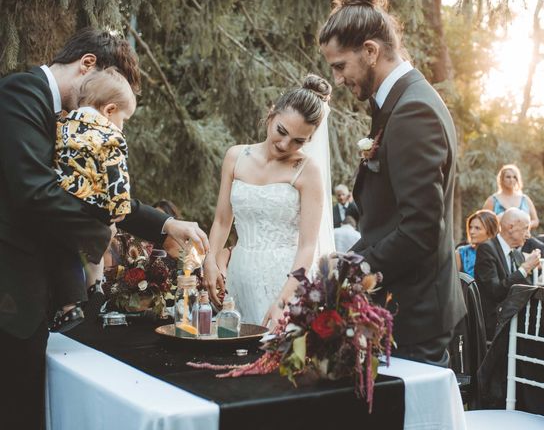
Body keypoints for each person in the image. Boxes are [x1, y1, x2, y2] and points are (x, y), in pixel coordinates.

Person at [0, 27, 209, 430]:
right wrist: (101, 236)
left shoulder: (68, 119)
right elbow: (34, 190)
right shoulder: (20, 94)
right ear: (88, 65)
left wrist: (164, 224)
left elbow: (95, 192)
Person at [319, 0, 465, 366]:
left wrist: (353, 270)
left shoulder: (412, 111)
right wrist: (347, 258)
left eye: (340, 66)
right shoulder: (397, 104)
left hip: (414, 317)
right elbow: (389, 220)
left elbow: (420, 230)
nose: (338, 80)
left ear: (370, 51)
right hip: (400, 305)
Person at [202, 75, 333, 327]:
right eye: (281, 131)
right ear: (271, 114)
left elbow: (307, 246)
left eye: (299, 141)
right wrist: (210, 258)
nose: (285, 144)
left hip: (284, 280)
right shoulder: (236, 156)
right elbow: (221, 220)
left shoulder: (308, 171)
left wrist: (284, 301)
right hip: (239, 275)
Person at [49, 67, 137, 332]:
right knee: (98, 240)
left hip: (64, 199)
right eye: (124, 119)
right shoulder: (111, 135)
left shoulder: (63, 125)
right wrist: (121, 207)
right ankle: (96, 285)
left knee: (63, 250)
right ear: (109, 110)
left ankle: (69, 306)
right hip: (95, 202)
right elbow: (117, 173)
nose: (122, 126)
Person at [474, 208, 541, 340]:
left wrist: (534, 271)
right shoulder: (487, 249)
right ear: (511, 227)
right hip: (493, 323)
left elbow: (524, 289)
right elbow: (495, 292)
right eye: (525, 229)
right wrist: (525, 268)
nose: (528, 235)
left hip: (515, 319)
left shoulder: (516, 253)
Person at [482, 164, 539, 229]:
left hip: (523, 237)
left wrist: (527, 226)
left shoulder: (525, 199)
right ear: (501, 179)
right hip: (499, 238)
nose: (511, 180)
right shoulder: (492, 200)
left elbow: (535, 221)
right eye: (508, 177)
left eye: (514, 177)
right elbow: (484, 222)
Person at [455, 210, 499, 277]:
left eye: (477, 228)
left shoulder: (498, 254)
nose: (471, 231)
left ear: (490, 231)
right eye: (470, 227)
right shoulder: (461, 253)